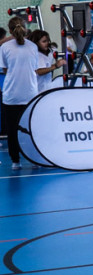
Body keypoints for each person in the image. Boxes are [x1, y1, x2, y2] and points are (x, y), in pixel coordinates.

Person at [0, 19, 40, 170]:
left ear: (10, 31)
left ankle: (15, 161)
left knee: (12, 130)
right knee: (31, 129)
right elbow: (34, 69)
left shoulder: (4, 47)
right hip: (30, 94)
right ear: (25, 28)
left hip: (11, 96)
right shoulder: (33, 47)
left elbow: (4, 69)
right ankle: (34, 159)